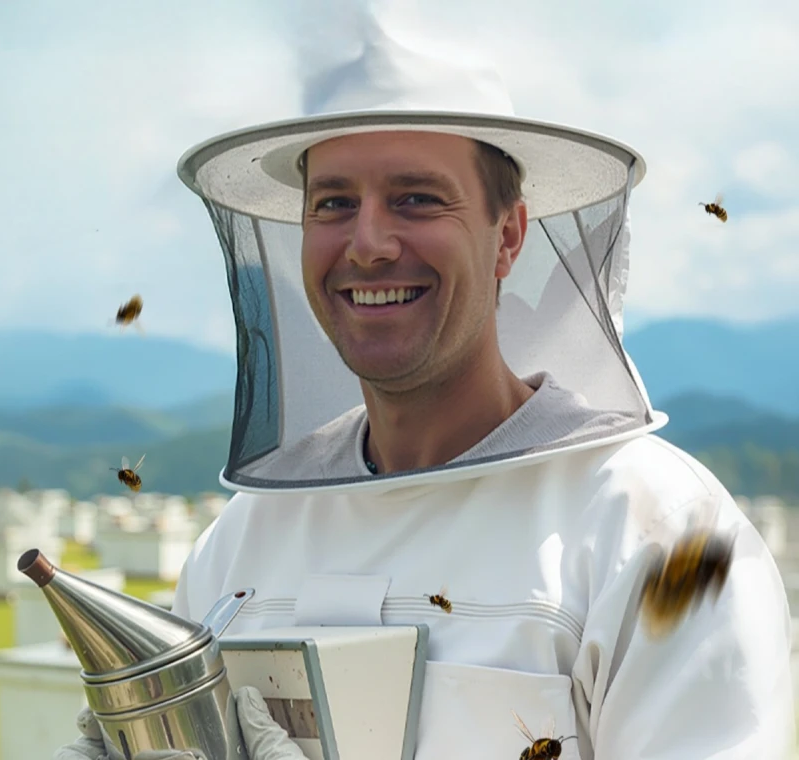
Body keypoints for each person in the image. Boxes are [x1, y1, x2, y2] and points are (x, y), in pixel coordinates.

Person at [56, 11, 795, 760]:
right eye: (335, 203)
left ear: (508, 235)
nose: (369, 244)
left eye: (416, 198)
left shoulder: (663, 535)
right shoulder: (241, 542)